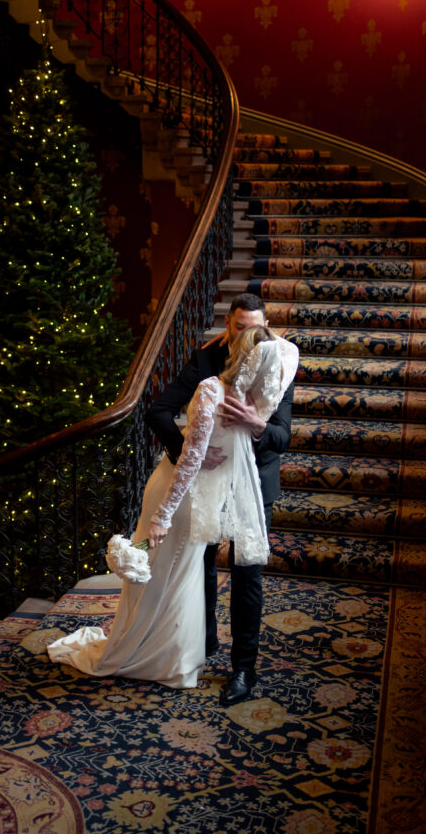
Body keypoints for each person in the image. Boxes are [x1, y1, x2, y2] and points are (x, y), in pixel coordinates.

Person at [46, 323, 298, 694]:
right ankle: (152, 653)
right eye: (262, 361)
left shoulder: (258, 398)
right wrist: (161, 518)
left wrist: (255, 421)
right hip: (181, 495)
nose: (272, 373)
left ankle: (194, 659)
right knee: (170, 577)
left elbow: (289, 369)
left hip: (226, 491)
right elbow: (191, 462)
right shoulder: (211, 389)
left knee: (196, 579)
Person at [145, 293, 296, 705]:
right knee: (203, 562)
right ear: (228, 324)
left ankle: (244, 670)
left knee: (248, 576)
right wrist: (188, 451)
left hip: (255, 479)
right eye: (238, 325)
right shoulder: (207, 362)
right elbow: (157, 411)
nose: (245, 333)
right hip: (209, 481)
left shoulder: (277, 361)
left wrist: (257, 425)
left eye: (253, 327)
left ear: (264, 327)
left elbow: (282, 437)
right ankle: (205, 644)